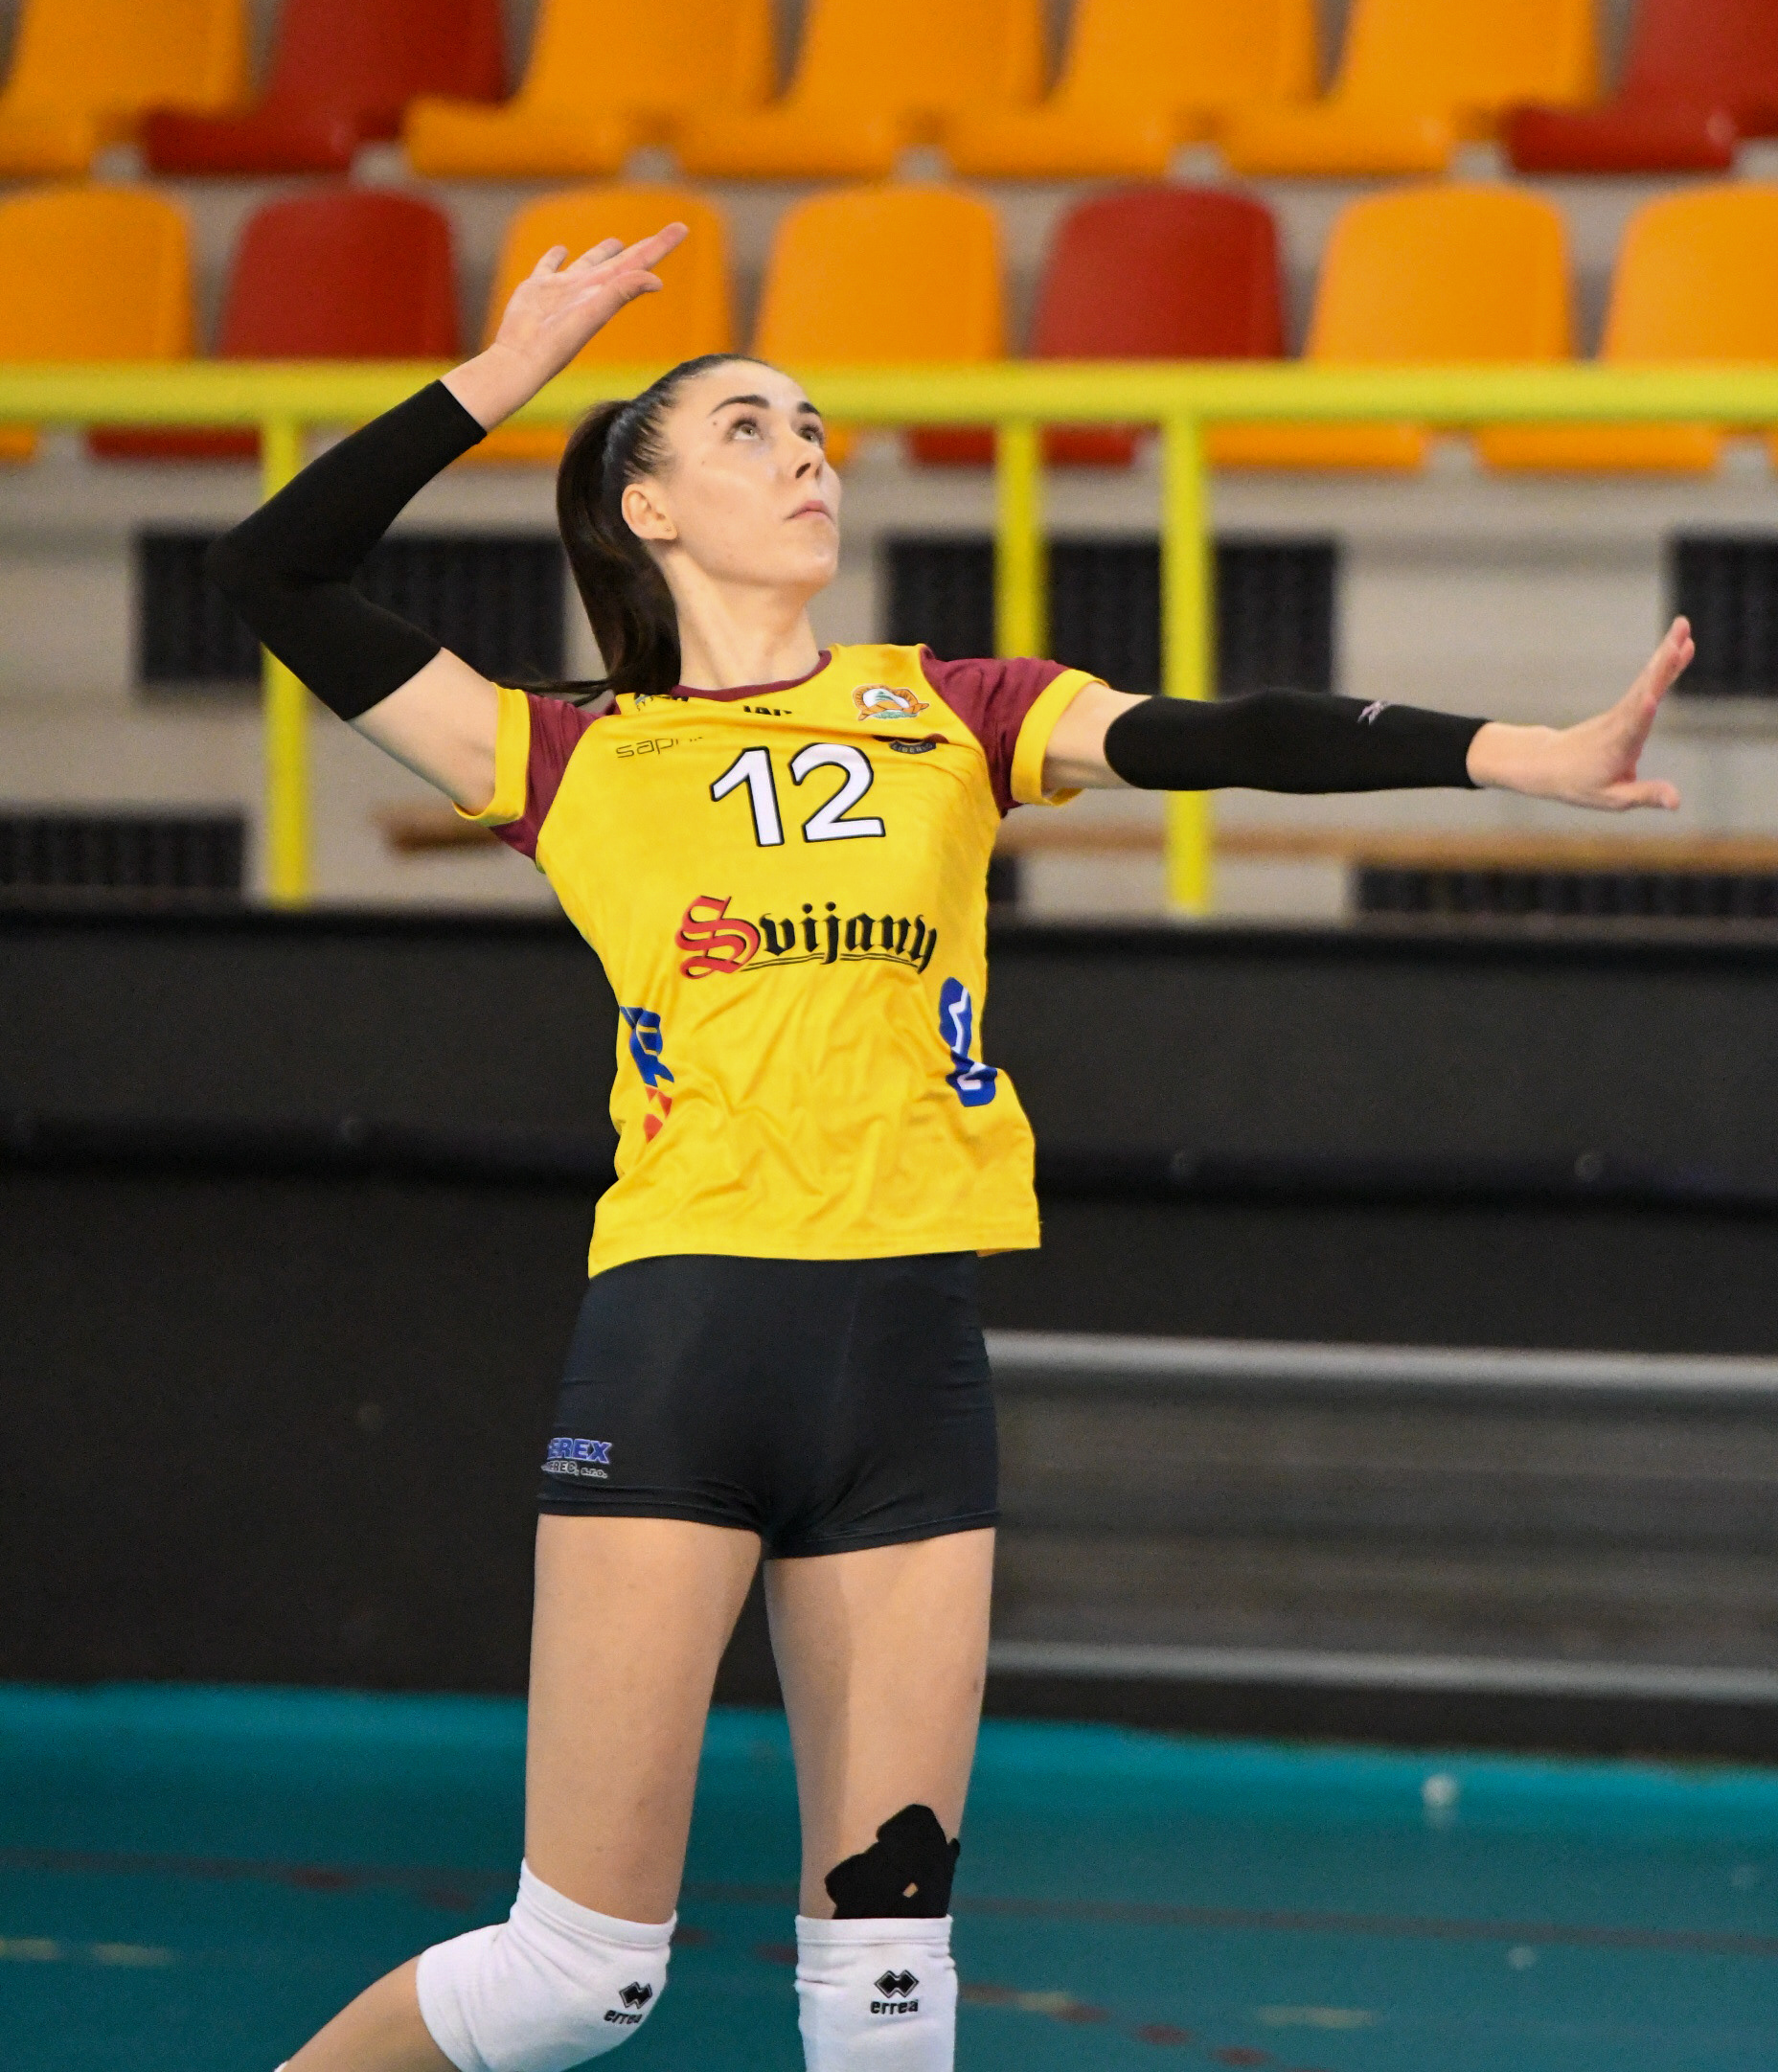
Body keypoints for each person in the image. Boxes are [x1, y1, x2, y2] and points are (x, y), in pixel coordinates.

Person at [211, 225, 1695, 2072]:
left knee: (892, 1991)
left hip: (909, 1359)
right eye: (750, 429)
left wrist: (1517, 757)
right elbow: (272, 569)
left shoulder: (955, 708)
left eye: (815, 428)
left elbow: (1227, 730)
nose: (807, 455)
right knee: (579, 1974)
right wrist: (504, 378)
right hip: (685, 1342)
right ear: (647, 510)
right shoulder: (563, 752)